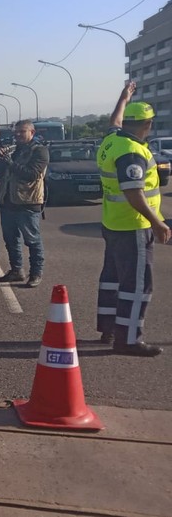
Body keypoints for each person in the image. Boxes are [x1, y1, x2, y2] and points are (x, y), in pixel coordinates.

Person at [95, 81, 169, 356]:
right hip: (133, 226)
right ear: (147, 125)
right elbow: (133, 192)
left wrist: (123, 97)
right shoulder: (132, 153)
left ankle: (109, 328)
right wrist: (157, 221)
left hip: (113, 223)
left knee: (112, 279)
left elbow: (114, 121)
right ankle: (128, 339)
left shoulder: (113, 139)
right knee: (137, 285)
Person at [0, 120, 48, 288]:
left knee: (32, 240)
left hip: (28, 202)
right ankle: (16, 270)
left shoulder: (39, 151)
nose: (17, 135)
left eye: (22, 132)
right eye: (16, 132)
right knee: (10, 239)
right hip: (8, 201)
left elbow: (31, 174)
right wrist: (0, 160)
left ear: (32, 132)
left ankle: (36, 273)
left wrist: (10, 162)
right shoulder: (14, 151)